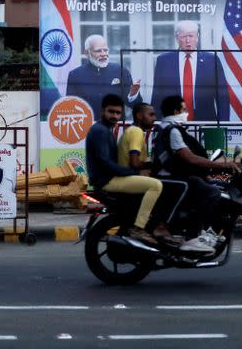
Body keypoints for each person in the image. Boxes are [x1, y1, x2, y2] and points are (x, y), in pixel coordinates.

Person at [152, 94, 230, 253]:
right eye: (184, 110)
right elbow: (189, 158)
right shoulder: (172, 130)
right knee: (211, 192)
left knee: (216, 185)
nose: (187, 114)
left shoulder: (164, 128)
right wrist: (221, 166)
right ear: (175, 111)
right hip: (169, 178)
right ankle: (192, 237)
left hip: (169, 175)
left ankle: (203, 230)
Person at [84, 94, 163, 246]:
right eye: (111, 112)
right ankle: (139, 228)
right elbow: (105, 161)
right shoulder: (100, 131)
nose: (114, 116)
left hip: (108, 178)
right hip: (107, 180)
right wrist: (131, 173)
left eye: (118, 113)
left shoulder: (106, 129)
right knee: (155, 185)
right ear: (102, 112)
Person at [117, 102, 178, 243]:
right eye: (150, 114)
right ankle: (144, 227)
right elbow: (135, 163)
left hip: (130, 176)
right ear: (139, 115)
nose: (154, 118)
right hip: (130, 177)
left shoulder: (133, 131)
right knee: (161, 188)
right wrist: (154, 164)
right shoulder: (136, 132)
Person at [150, 21, 229, 121]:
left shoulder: (212, 60)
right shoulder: (163, 60)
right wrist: (155, 124)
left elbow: (222, 97)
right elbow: (157, 96)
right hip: (172, 121)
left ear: (197, 37)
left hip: (205, 122)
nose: (188, 40)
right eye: (183, 37)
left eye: (191, 36)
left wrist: (223, 125)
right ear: (177, 38)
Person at [65, 35, 141, 117]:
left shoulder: (121, 71)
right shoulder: (75, 75)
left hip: (115, 126)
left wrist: (133, 95)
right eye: (98, 51)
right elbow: (70, 108)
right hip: (88, 126)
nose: (103, 54)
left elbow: (137, 106)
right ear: (87, 53)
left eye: (105, 50)